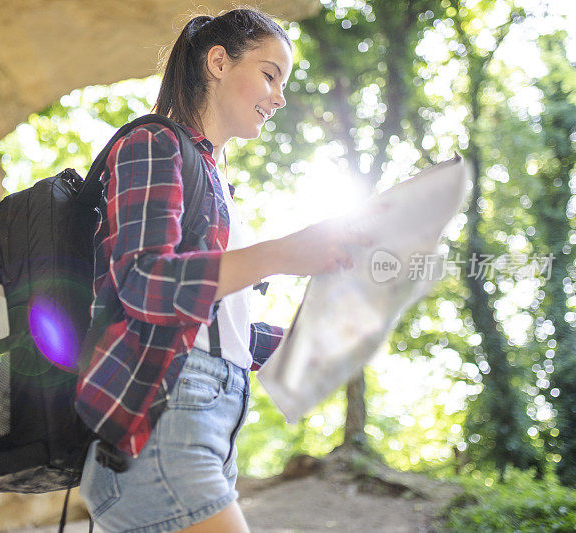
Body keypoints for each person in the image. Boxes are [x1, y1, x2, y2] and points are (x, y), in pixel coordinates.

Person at [75, 8, 366, 532]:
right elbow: (144, 284)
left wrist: (316, 333)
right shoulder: (154, 145)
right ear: (217, 62)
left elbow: (217, 335)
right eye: (269, 74)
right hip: (160, 430)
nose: (279, 96)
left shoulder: (215, 183)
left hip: (205, 432)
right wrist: (282, 253)